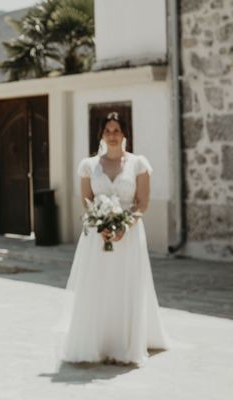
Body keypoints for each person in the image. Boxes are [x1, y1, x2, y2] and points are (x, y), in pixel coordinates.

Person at [63, 111, 168, 365]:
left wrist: (124, 226)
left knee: (127, 284)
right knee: (97, 285)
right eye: (107, 131)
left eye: (117, 131)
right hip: (96, 237)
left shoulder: (138, 164)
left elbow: (142, 203)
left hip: (129, 236)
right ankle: (97, 341)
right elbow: (87, 202)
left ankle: (125, 343)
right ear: (101, 134)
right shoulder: (88, 166)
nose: (112, 135)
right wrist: (100, 225)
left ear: (125, 134)